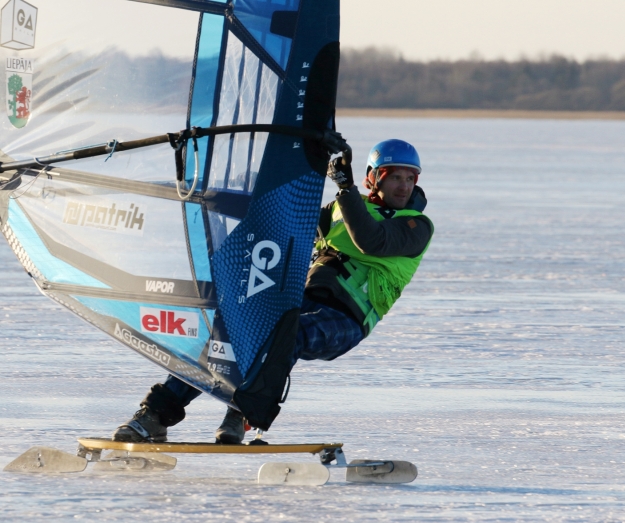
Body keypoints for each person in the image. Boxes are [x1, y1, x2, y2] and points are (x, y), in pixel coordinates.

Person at [112, 139, 434, 443]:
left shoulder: (416, 225)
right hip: (301, 299)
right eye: (395, 177)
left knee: (285, 336)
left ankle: (242, 413)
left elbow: (370, 240)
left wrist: (345, 188)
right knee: (223, 335)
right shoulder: (340, 208)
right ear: (373, 179)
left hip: (347, 319)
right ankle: (154, 415)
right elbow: (287, 219)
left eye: (410, 178)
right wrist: (257, 183)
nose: (404, 186)